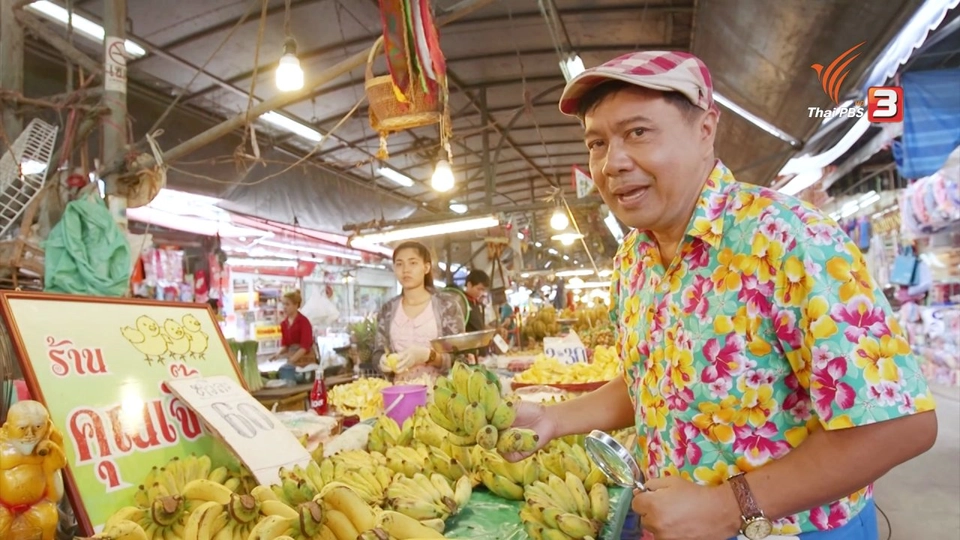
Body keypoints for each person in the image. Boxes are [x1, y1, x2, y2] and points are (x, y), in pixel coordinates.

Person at [506, 51, 938, 540]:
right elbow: (655, 385)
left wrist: (730, 505)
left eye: (638, 133)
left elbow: (900, 425)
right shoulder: (633, 260)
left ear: (705, 128)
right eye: (597, 143)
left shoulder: (788, 237)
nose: (613, 163)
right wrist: (552, 418)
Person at [374, 241, 465, 383]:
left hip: (440, 394)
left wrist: (428, 356)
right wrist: (381, 361)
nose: (405, 270)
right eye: (399, 264)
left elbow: (460, 358)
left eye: (413, 263)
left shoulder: (447, 306)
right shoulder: (387, 310)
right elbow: (378, 350)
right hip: (399, 393)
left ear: (426, 267)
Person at [270, 290, 316, 368]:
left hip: (305, 362)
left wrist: (292, 360)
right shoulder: (284, 324)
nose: (284, 307)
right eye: (283, 304)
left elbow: (305, 347)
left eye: (287, 304)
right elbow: (285, 345)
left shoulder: (304, 322)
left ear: (296, 305)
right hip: (291, 360)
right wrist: (277, 354)